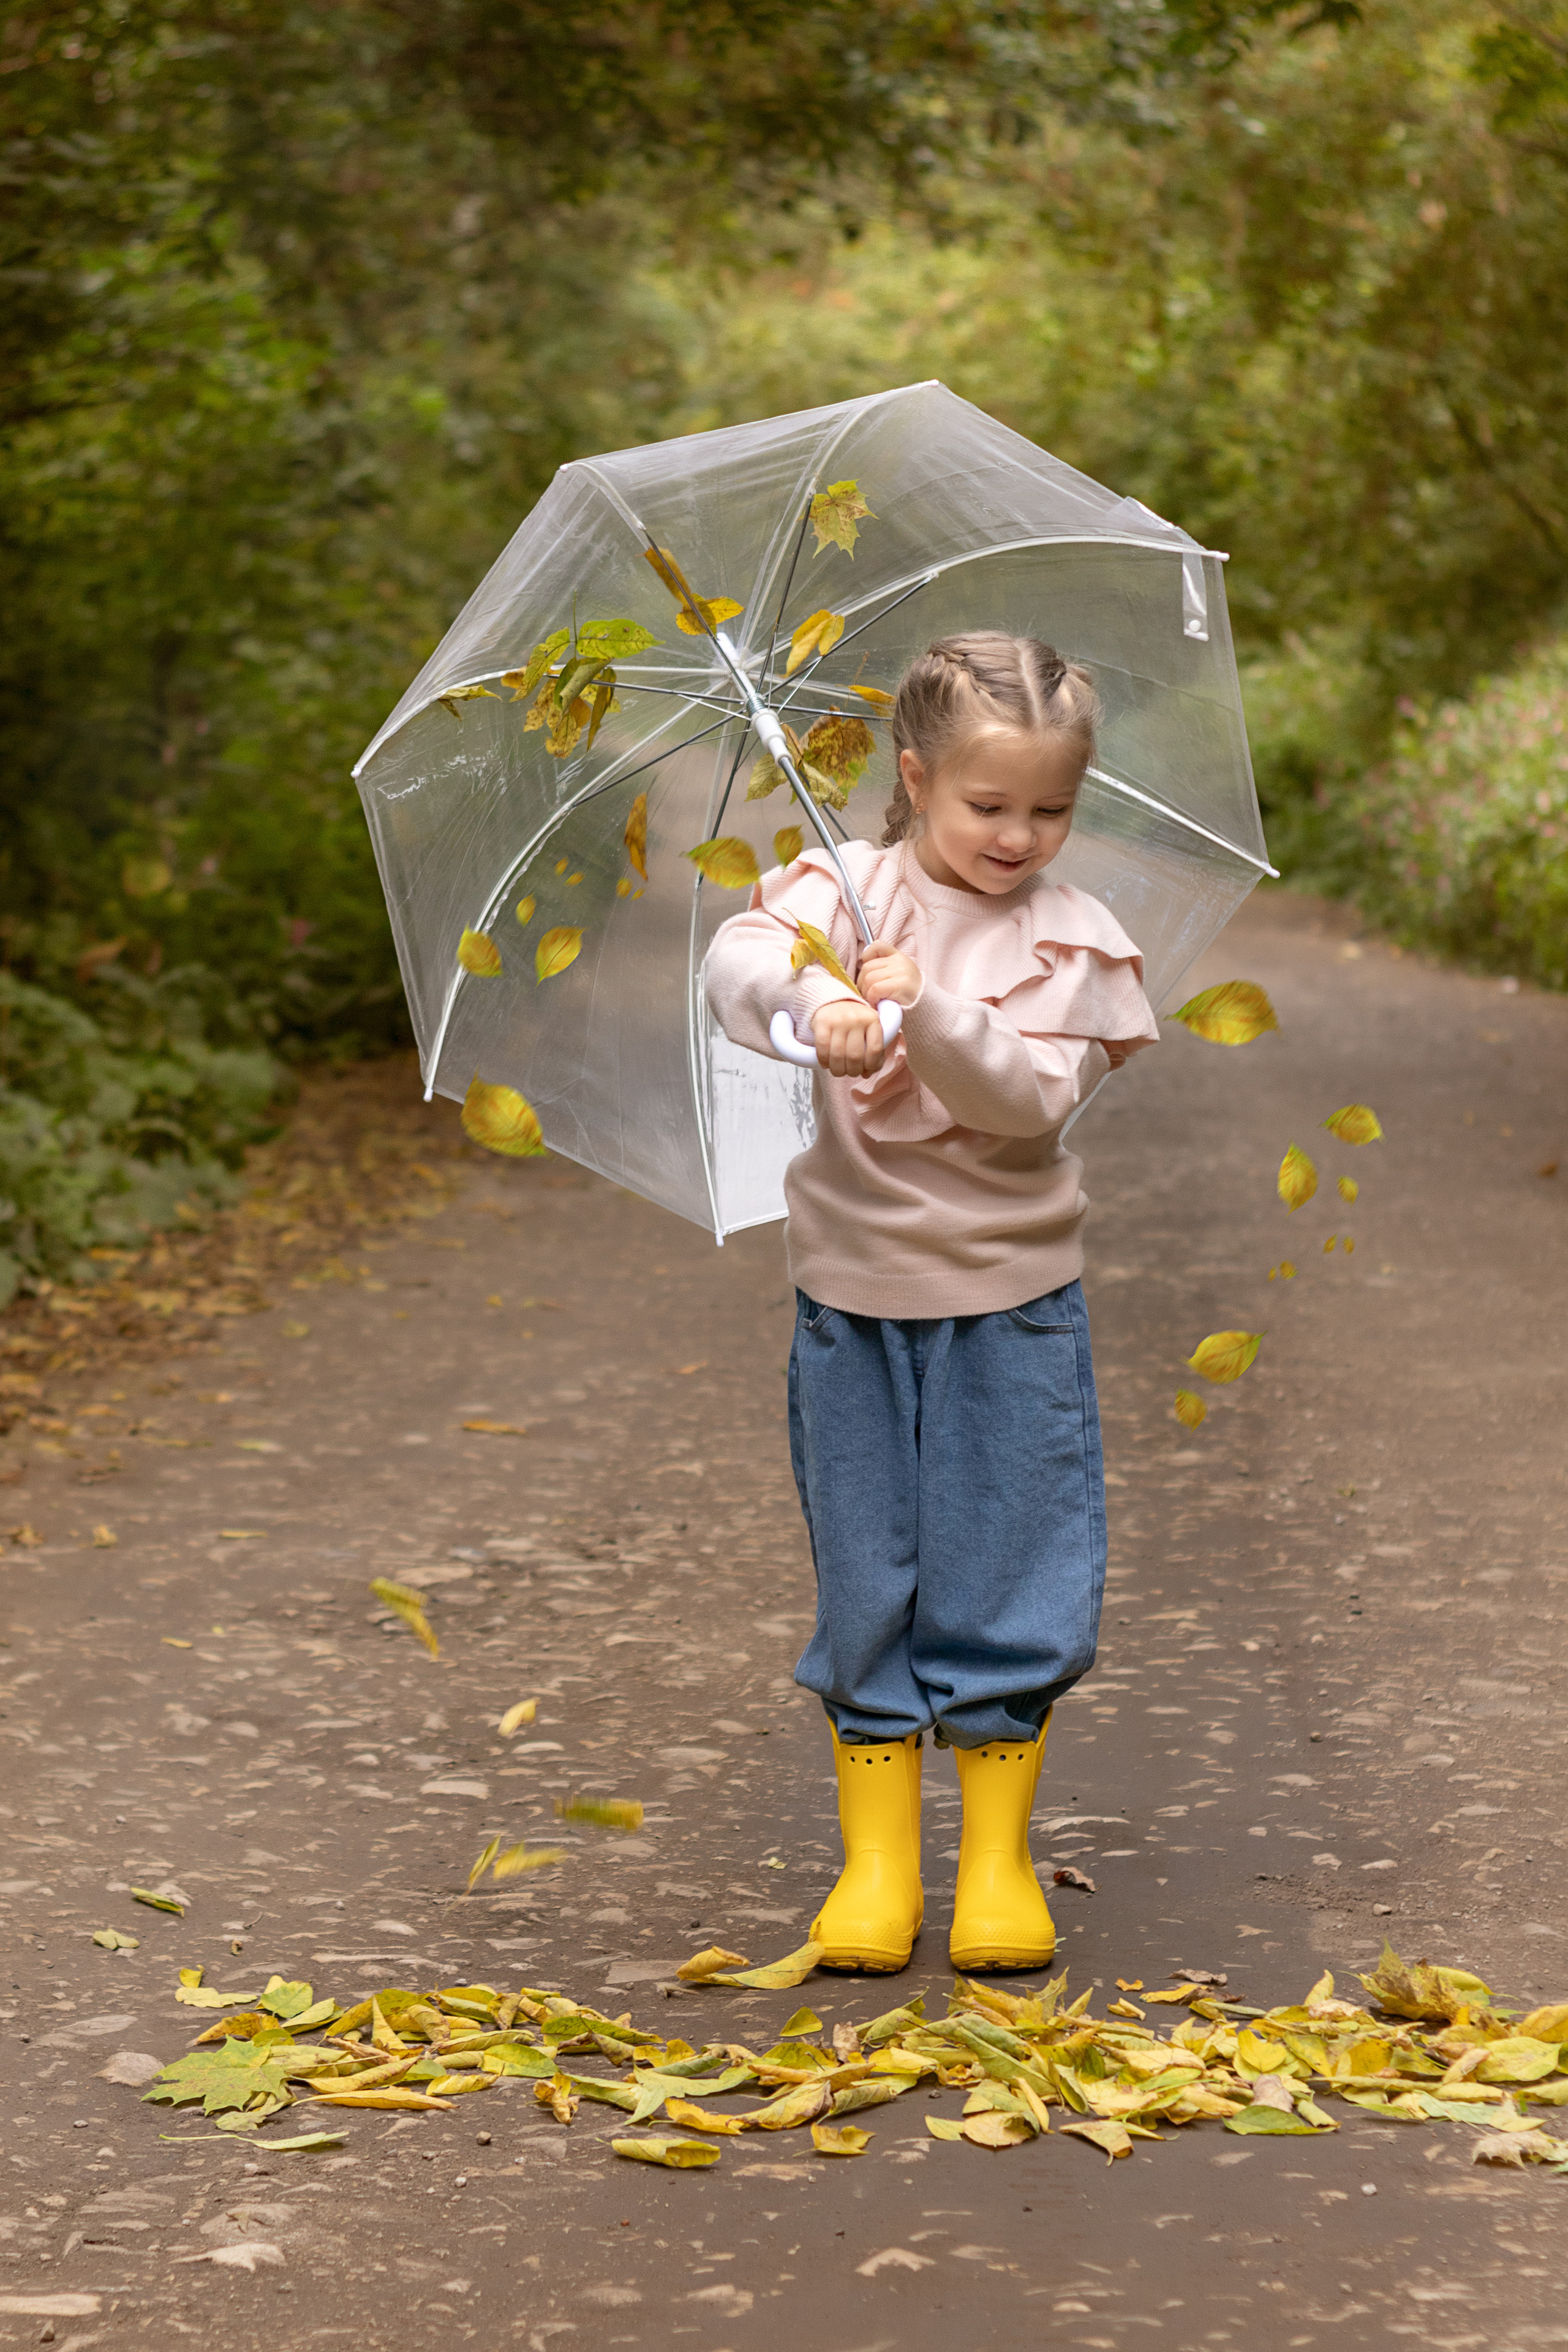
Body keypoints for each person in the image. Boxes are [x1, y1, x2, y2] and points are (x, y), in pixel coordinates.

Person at [703, 633, 1159, 1974]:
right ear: (914, 779)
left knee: (1009, 1552)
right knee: (868, 1559)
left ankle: (999, 1860)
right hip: (850, 1294)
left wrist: (932, 1015)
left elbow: (1025, 1103)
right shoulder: (842, 890)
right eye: (986, 806)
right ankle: (876, 1864)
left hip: (1007, 1299)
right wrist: (813, 998)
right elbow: (736, 966)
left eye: (1049, 809)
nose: (1018, 837)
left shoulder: (1070, 939)